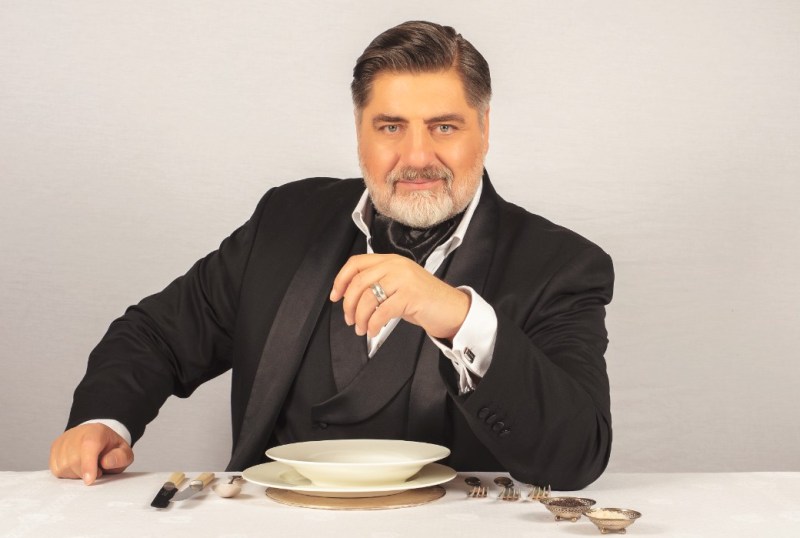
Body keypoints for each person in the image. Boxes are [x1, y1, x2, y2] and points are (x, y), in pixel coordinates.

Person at [49, 20, 614, 491]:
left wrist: (459, 316)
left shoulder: (562, 265)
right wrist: (103, 421)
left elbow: (576, 456)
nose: (417, 156)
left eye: (444, 126)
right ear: (359, 131)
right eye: (391, 127)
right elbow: (157, 334)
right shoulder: (286, 219)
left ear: (484, 130)